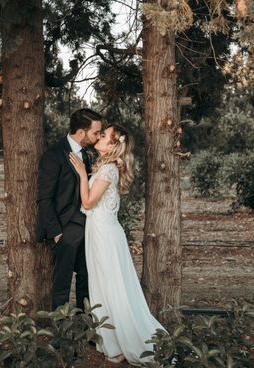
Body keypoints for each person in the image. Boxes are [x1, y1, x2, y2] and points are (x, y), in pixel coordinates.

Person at [68, 124, 165, 365]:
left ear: (113, 145)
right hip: (100, 231)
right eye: (100, 134)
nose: (99, 137)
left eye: (104, 135)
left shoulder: (108, 170)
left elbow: (88, 203)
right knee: (103, 285)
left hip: (104, 235)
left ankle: (121, 343)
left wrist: (82, 175)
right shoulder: (105, 167)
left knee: (110, 287)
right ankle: (113, 342)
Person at [36, 108, 103, 310]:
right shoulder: (54, 155)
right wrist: (56, 233)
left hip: (88, 229)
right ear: (81, 132)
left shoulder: (90, 155)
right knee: (61, 285)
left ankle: (86, 328)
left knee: (87, 281)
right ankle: (60, 335)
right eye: (95, 132)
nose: (98, 136)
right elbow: (44, 199)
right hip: (65, 231)